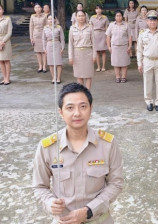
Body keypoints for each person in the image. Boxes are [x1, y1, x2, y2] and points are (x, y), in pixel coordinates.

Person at [32, 83, 124, 224]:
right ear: (61, 112)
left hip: (99, 219)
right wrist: (50, 202)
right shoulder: (47, 147)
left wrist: (88, 210)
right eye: (70, 108)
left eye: (83, 106)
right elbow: (39, 187)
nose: (77, 113)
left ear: (91, 109)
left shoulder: (107, 144)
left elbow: (116, 183)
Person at [137, 10, 158, 111]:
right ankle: (149, 102)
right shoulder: (142, 34)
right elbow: (139, 50)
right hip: (147, 60)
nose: (152, 22)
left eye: (154, 20)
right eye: (150, 20)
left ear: (157, 22)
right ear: (147, 22)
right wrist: (139, 63)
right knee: (147, 82)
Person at [68, 10, 96, 90]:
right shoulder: (72, 28)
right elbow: (70, 43)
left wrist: (94, 55)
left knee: (88, 75)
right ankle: (81, 93)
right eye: (79, 16)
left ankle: (88, 93)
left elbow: (94, 43)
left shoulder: (90, 28)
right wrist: (70, 57)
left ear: (85, 17)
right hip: (77, 54)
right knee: (79, 75)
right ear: (76, 17)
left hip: (88, 53)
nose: (81, 18)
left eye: (82, 16)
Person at [106, 10, 131, 83]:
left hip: (124, 46)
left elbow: (129, 36)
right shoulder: (111, 25)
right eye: (117, 16)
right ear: (115, 17)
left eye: (120, 16)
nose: (118, 17)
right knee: (115, 63)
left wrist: (129, 46)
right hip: (114, 46)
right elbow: (108, 36)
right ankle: (117, 76)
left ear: (122, 17)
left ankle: (124, 77)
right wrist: (109, 46)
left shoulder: (126, 25)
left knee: (124, 62)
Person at [42, 15, 65, 84]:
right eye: (49, 19)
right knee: (51, 63)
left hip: (57, 44)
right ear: (47, 20)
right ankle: (53, 77)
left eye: (52, 19)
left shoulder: (58, 27)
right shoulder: (45, 28)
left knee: (58, 63)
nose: (50, 20)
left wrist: (62, 47)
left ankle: (58, 78)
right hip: (49, 45)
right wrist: (44, 47)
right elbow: (43, 39)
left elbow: (62, 38)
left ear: (55, 20)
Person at [90, 5, 109, 72]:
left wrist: (107, 36)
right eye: (97, 9)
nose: (98, 10)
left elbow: (107, 27)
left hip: (103, 34)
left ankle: (103, 66)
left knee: (103, 51)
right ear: (95, 10)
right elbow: (90, 27)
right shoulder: (92, 17)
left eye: (100, 9)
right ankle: (98, 66)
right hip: (95, 34)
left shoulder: (105, 18)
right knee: (97, 51)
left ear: (102, 10)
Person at [30, 3, 48, 73]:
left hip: (43, 35)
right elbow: (31, 27)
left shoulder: (45, 16)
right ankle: (40, 66)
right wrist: (31, 37)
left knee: (44, 52)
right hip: (36, 35)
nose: (37, 9)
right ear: (34, 9)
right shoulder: (32, 16)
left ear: (41, 8)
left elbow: (47, 25)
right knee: (38, 52)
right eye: (36, 8)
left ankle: (44, 66)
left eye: (39, 7)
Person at [0, 4, 12, 85]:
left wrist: (2, 41)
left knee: (6, 60)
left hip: (6, 41)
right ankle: (4, 78)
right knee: (0, 61)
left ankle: (8, 78)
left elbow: (9, 32)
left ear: (3, 10)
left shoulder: (7, 19)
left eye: (0, 9)